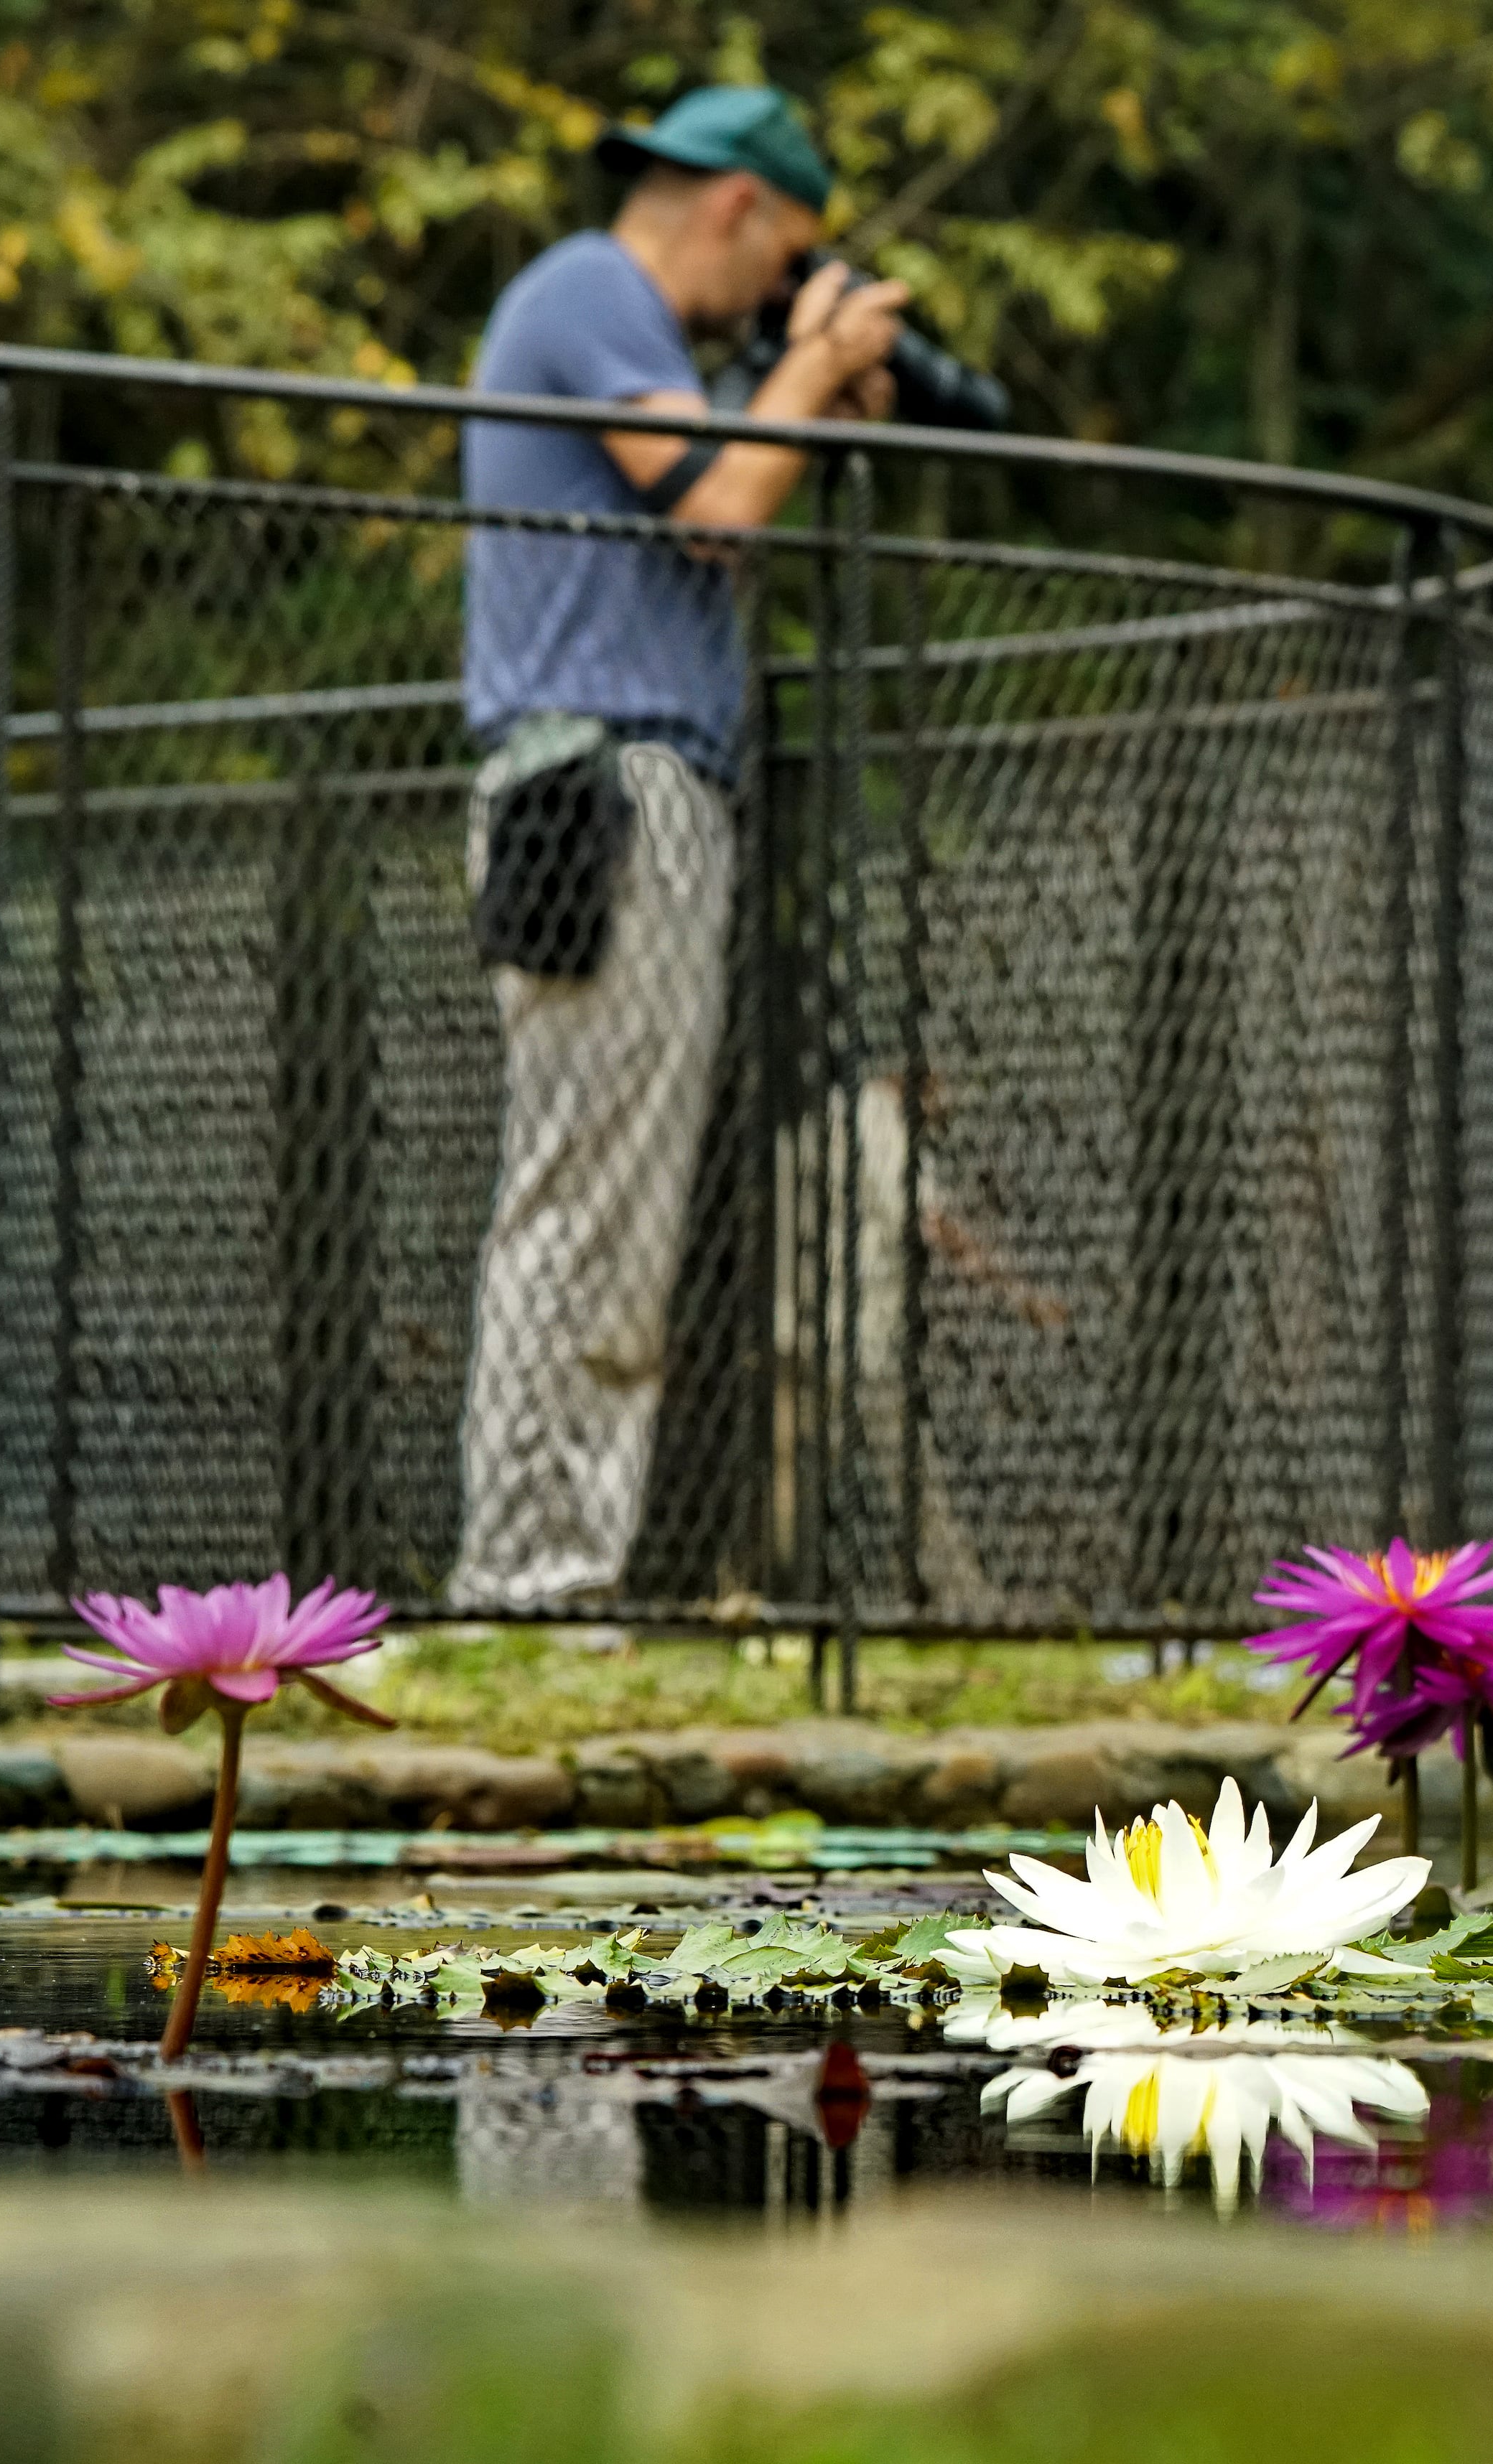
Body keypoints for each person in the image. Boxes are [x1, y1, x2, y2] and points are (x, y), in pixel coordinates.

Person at [448, 85, 909, 1611]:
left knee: (610, 1205)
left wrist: (809, 391)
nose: (777, 294)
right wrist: (807, 365)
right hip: (601, 798)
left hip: (624, 798)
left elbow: (721, 487)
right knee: (586, 1204)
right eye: (786, 256)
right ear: (737, 206)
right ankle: (530, 1584)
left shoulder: (639, 340)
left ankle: (547, 1576)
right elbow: (715, 508)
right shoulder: (592, 291)